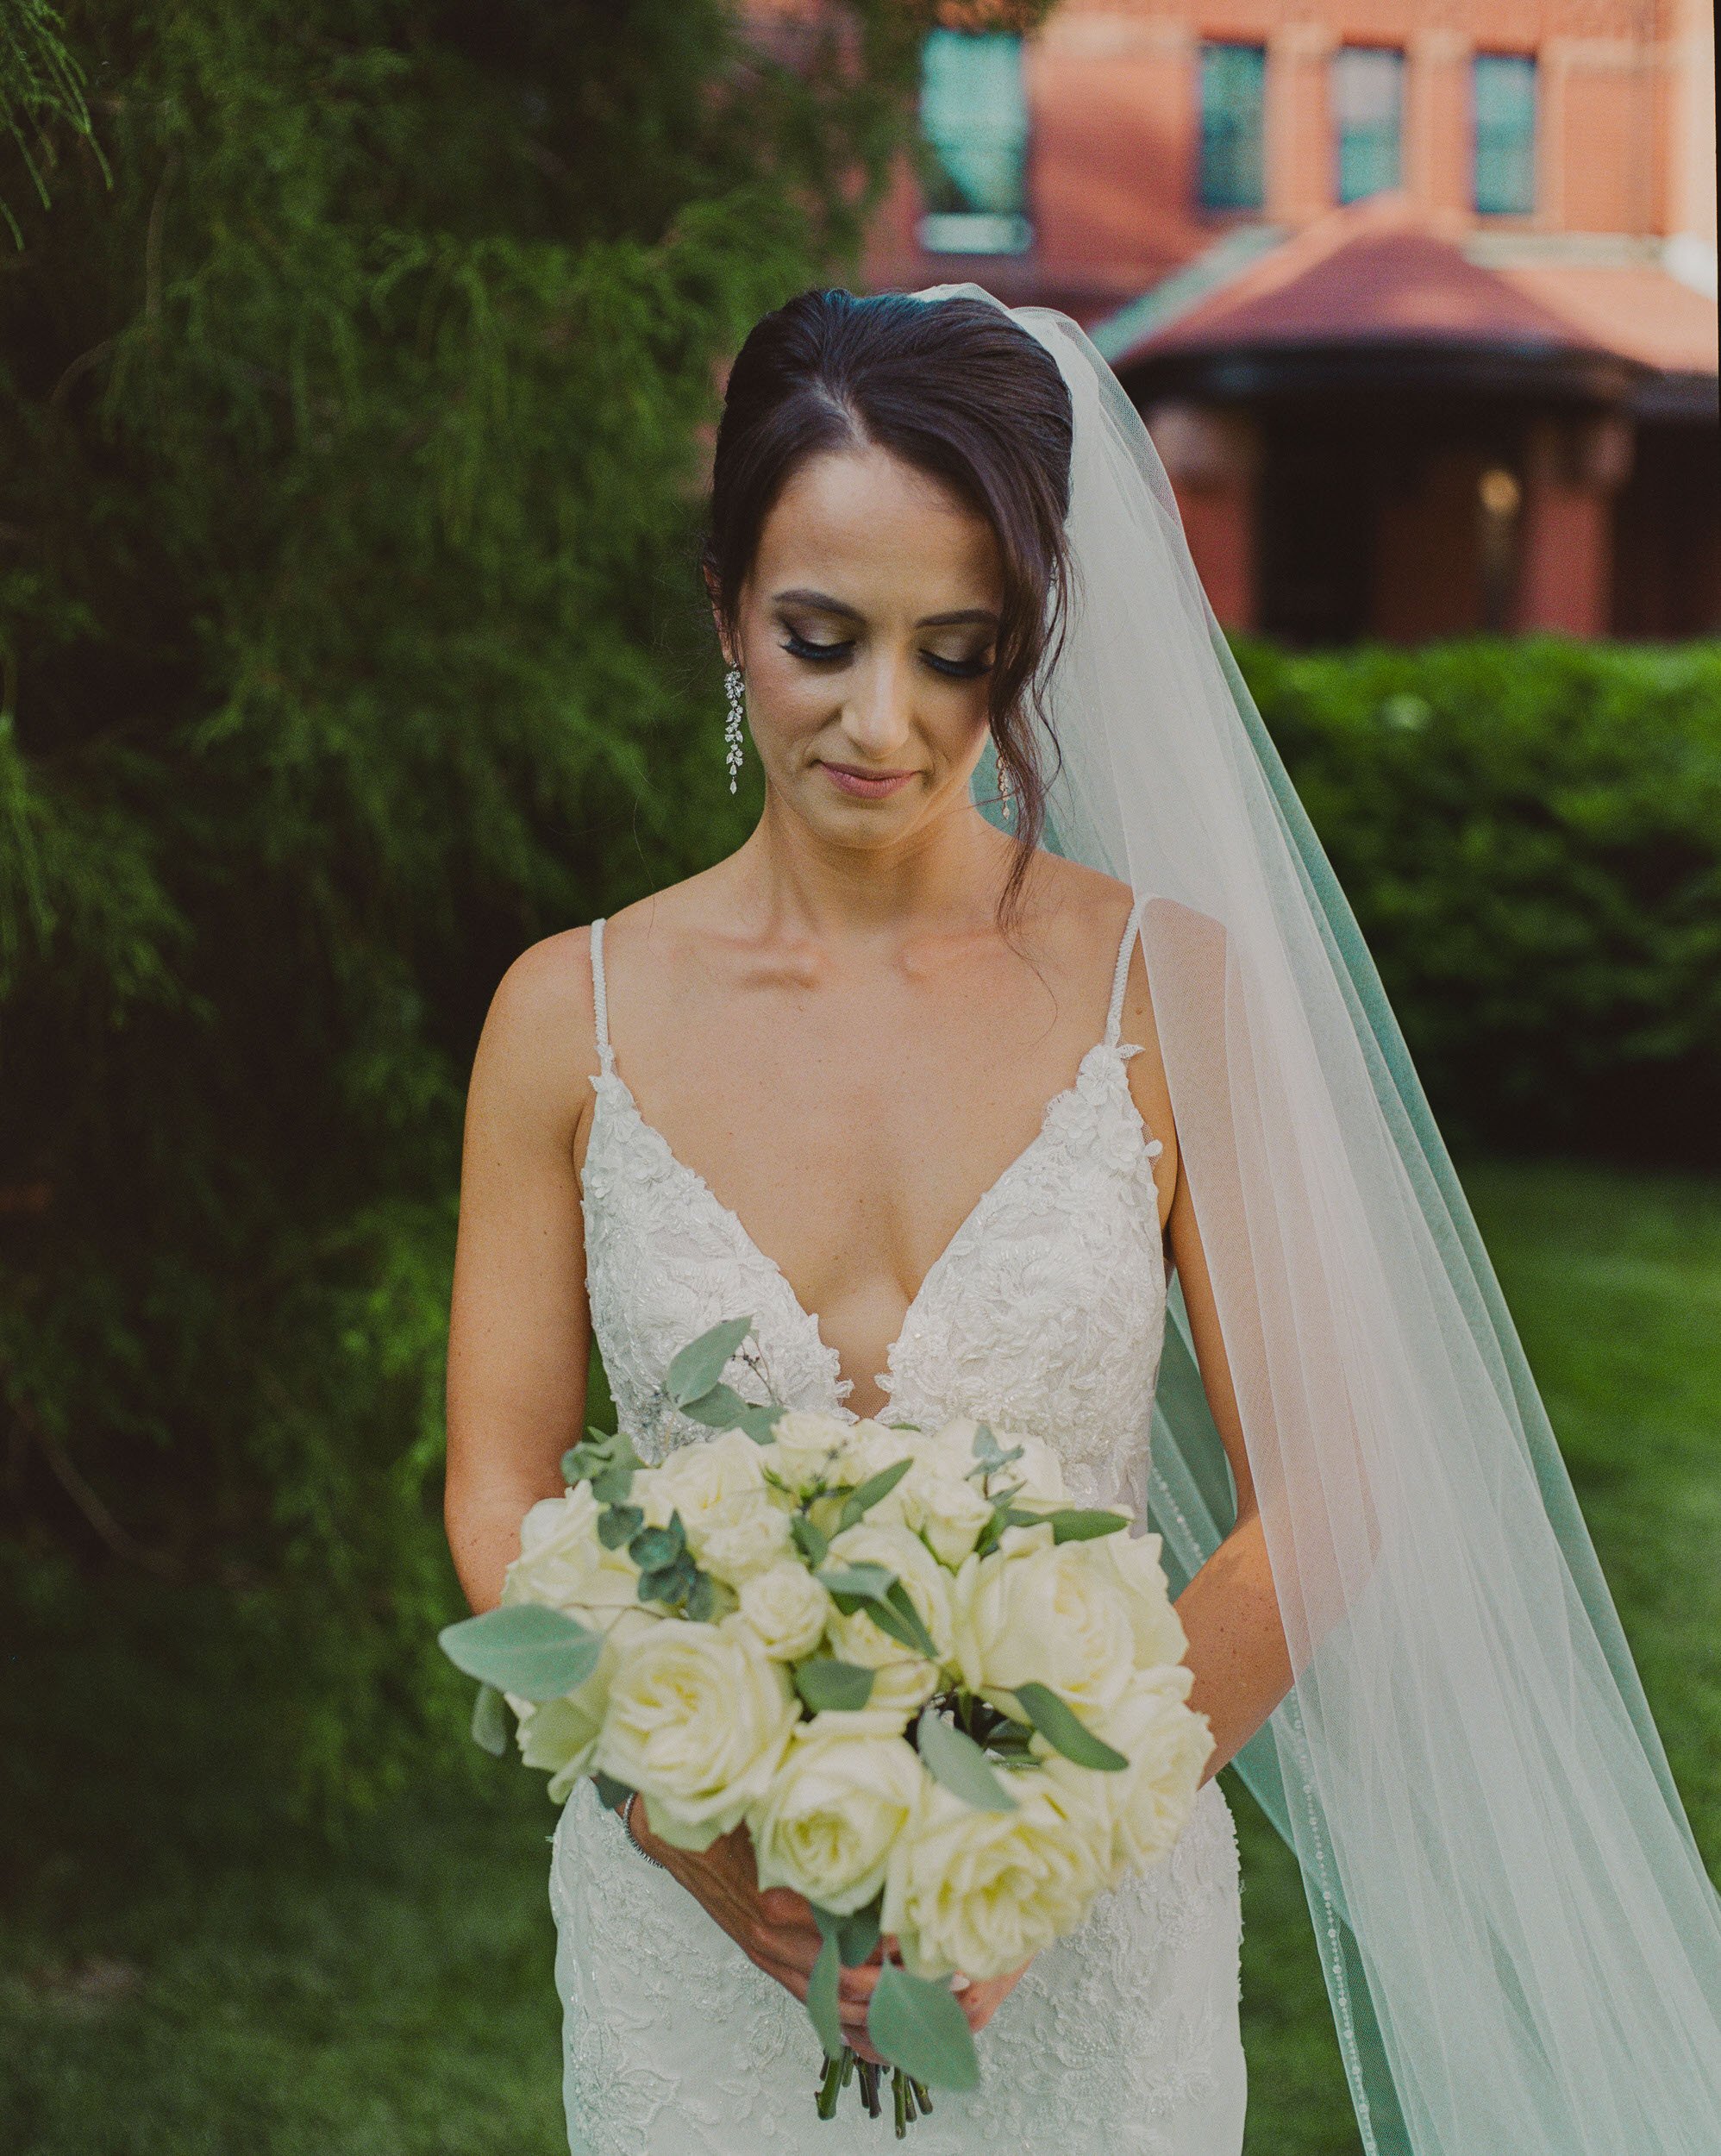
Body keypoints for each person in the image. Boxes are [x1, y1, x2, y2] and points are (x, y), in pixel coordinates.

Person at [444, 288, 1721, 2156]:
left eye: (951, 652)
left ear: (1023, 646)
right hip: (684, 1952)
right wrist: (686, 1823)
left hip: (1092, 1951)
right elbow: (497, 1485)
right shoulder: (568, 1014)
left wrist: (1036, 1844)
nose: (880, 719)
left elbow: (1334, 1484)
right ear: (724, 606)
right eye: (818, 637)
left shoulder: (1163, 993)